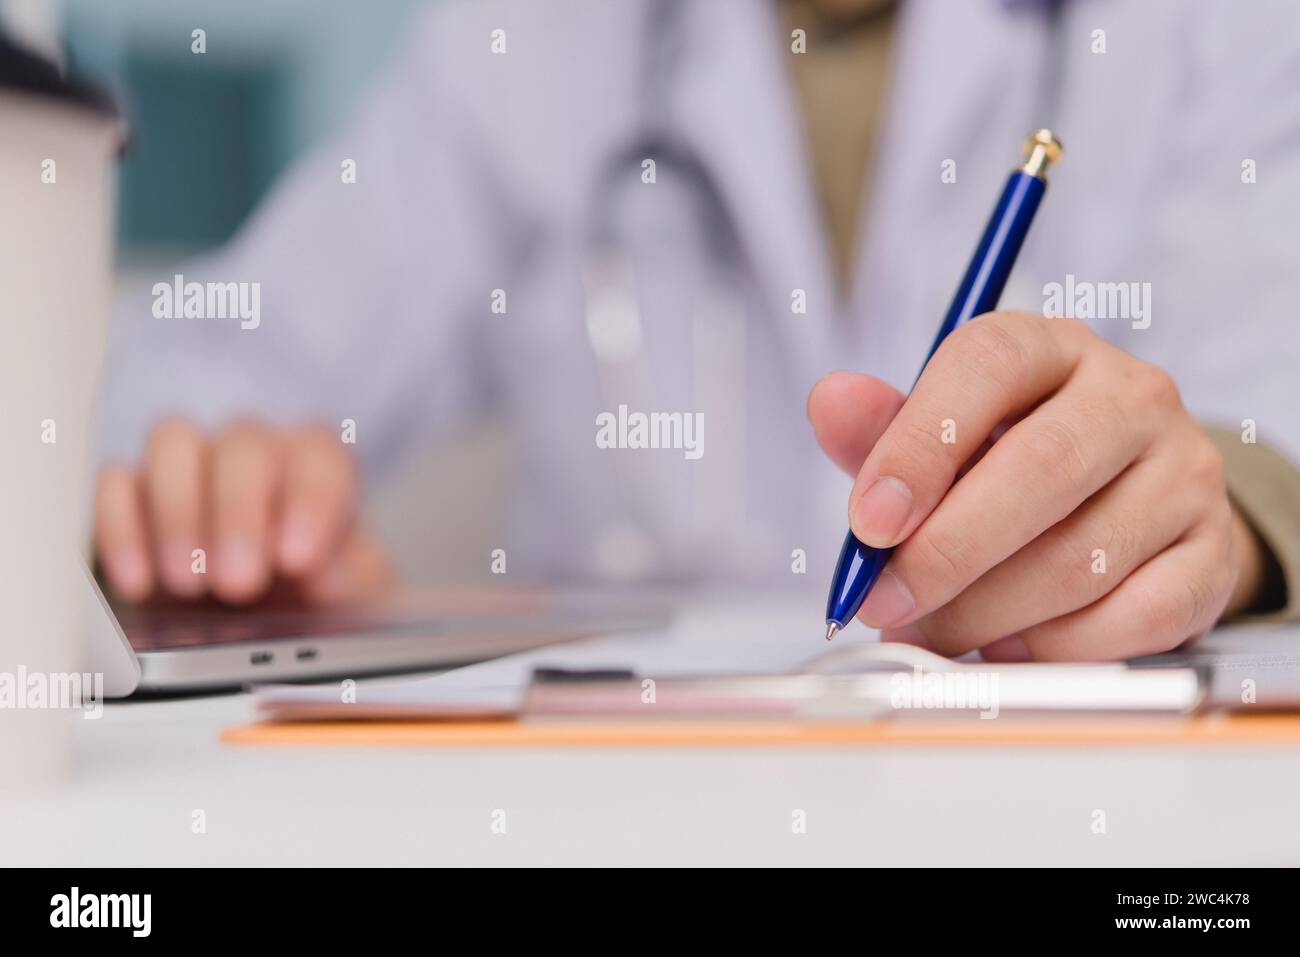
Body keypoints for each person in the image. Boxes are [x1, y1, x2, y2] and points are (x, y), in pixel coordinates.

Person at [93, 0, 1300, 661]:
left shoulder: (1202, 30)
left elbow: (1267, 419)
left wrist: (1225, 513)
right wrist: (212, 489)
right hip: (625, 815)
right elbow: (191, 364)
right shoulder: (534, 43)